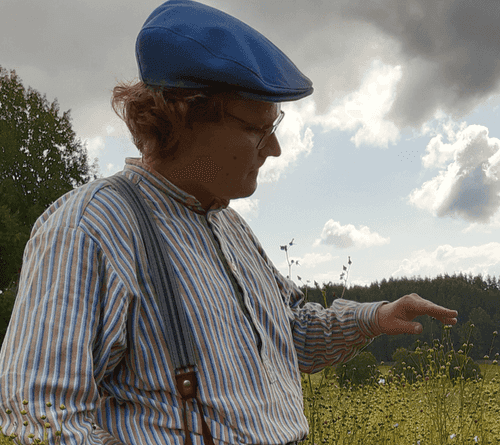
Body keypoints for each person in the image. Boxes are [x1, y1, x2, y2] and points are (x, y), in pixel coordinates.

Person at [0, 1, 458, 444]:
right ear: (185, 116)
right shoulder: (86, 230)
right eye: (259, 128)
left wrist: (375, 317)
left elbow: (291, 333)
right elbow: (41, 415)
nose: (274, 148)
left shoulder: (230, 227)